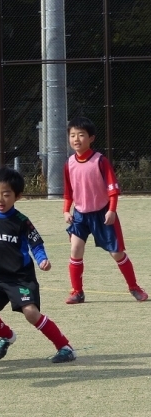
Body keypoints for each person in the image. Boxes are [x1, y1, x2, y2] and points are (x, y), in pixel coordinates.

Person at [0, 166, 76, 363]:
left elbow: (36, 243)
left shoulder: (21, 221)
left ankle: (65, 347)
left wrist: (42, 260)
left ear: (17, 196)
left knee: (31, 313)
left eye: (6, 194)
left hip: (21, 278)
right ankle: (6, 336)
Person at [63, 116, 147, 304]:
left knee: (117, 253)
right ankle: (77, 292)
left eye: (81, 135)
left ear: (91, 138)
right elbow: (68, 191)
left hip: (102, 214)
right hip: (80, 215)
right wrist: (66, 211)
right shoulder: (69, 164)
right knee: (75, 249)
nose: (76, 139)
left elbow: (113, 189)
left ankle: (134, 287)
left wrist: (112, 210)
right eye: (72, 135)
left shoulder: (100, 161)